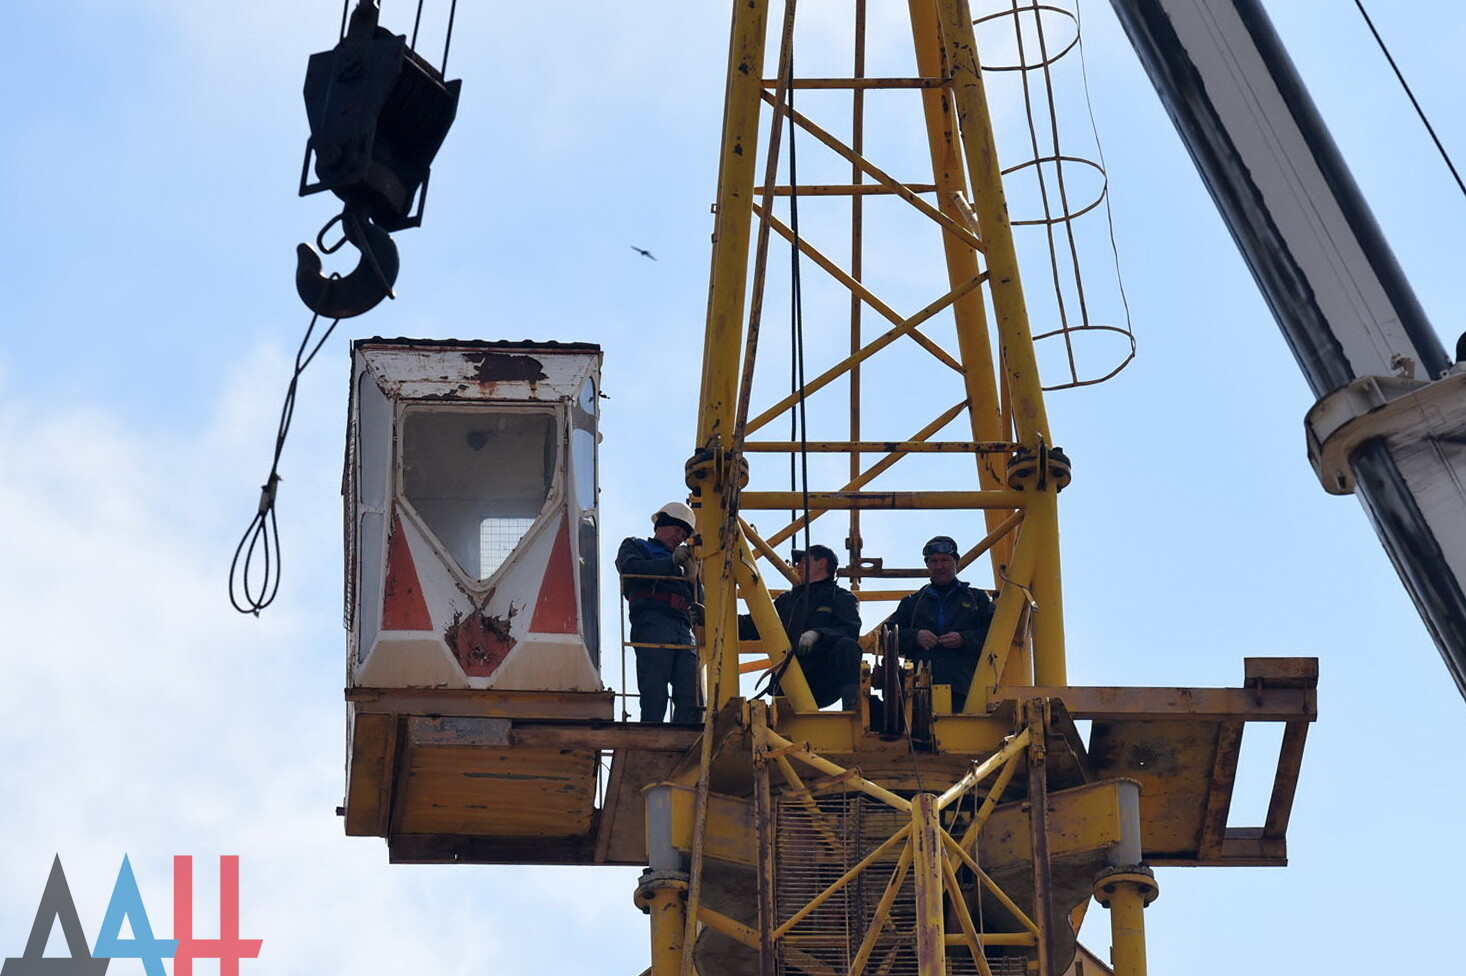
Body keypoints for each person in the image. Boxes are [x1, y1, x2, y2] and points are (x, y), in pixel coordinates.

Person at [743, 544, 862, 710]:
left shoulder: (842, 598)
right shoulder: (788, 600)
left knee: (848, 646)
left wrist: (817, 634)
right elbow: (755, 624)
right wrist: (708, 618)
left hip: (823, 678)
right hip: (790, 677)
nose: (797, 566)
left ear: (821, 563)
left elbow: (849, 629)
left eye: (804, 561)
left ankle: (852, 707)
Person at [884, 535, 993, 712]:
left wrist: (964, 639)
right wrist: (916, 636)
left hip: (966, 688)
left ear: (956, 562)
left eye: (944, 560)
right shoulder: (912, 602)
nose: (939, 566)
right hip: (917, 690)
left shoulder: (978, 599)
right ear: (927, 565)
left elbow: (995, 635)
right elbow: (887, 635)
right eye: (933, 561)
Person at [617, 502, 699, 723]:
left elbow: (698, 599)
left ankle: (685, 743)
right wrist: (671, 563)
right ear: (661, 526)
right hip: (652, 621)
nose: (679, 537)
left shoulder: (685, 562)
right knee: (655, 692)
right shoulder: (637, 546)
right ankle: (653, 739)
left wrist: (694, 578)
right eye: (676, 529)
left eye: (683, 534)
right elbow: (631, 570)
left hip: (683, 626)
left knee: (691, 694)